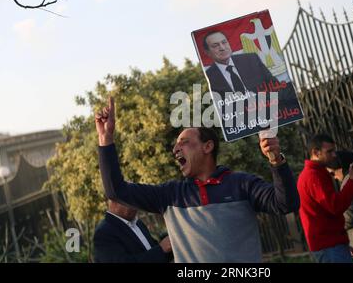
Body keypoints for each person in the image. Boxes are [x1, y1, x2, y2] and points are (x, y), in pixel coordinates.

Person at [95, 97, 299, 263]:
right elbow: (116, 191)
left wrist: (275, 159)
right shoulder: (169, 195)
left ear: (207, 147)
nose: (176, 149)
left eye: (184, 142)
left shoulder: (242, 184)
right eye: (176, 145)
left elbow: (286, 204)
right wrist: (106, 140)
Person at [297, 134, 353, 263]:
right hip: (328, 245)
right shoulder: (313, 176)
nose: (334, 155)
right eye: (329, 151)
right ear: (316, 152)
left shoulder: (316, 173)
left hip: (330, 244)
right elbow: (335, 206)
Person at [93, 200, 173, 263]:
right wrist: (161, 249)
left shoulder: (137, 223)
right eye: (130, 199)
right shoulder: (104, 232)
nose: (136, 203)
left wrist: (173, 242)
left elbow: (153, 251)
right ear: (114, 201)